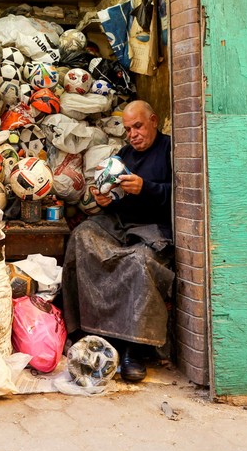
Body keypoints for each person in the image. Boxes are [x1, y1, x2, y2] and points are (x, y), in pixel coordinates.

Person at [61, 99, 173, 382]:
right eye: (128, 129)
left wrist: (145, 188)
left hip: (153, 229)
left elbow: (180, 193)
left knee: (140, 261)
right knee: (83, 236)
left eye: (138, 126)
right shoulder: (124, 155)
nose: (133, 134)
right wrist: (103, 200)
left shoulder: (171, 149)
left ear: (153, 121)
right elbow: (114, 202)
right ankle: (85, 332)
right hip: (121, 225)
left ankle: (133, 348)